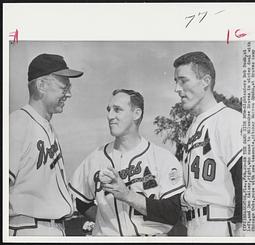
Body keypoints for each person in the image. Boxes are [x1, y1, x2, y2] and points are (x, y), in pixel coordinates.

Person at [69, 89, 185, 236]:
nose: (110, 116)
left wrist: (127, 195)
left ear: (137, 114)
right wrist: (107, 223)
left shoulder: (161, 158)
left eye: (117, 110)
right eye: (109, 110)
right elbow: (82, 202)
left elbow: (172, 212)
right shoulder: (95, 159)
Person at [9, 53, 84, 236]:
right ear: (41, 85)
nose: (69, 93)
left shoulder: (46, 126)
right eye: (63, 86)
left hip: (54, 228)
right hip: (28, 228)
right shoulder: (18, 122)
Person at [173, 51, 242, 236]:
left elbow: (246, 178)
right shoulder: (192, 129)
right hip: (194, 224)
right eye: (176, 82)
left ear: (205, 81)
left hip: (221, 223)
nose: (177, 89)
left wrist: (244, 228)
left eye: (183, 80)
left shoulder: (229, 119)